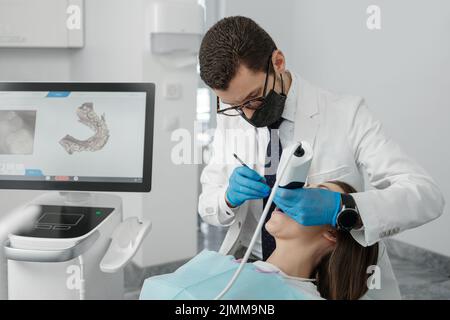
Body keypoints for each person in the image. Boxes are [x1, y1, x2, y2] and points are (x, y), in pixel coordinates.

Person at [198, 16, 445, 299]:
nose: (248, 115)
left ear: (278, 62)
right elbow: (207, 206)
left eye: (254, 98)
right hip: (257, 272)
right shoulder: (231, 122)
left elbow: (426, 195)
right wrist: (227, 197)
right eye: (235, 106)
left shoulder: (347, 114)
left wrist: (343, 208)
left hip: (333, 279)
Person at [141, 181, 378, 300]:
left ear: (333, 234)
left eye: (317, 196)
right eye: (305, 186)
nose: (299, 195)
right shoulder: (221, 266)